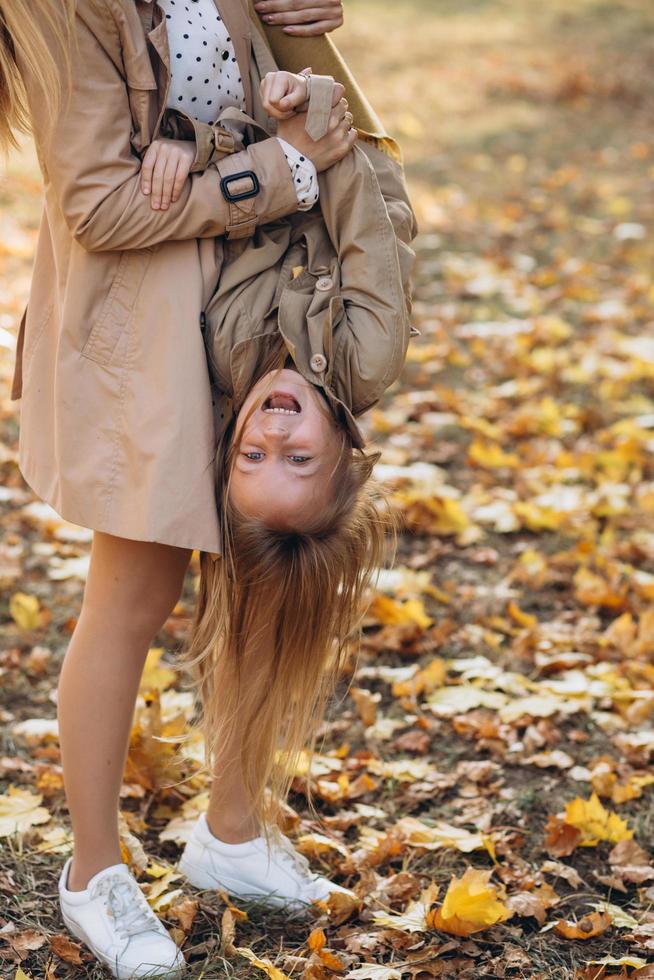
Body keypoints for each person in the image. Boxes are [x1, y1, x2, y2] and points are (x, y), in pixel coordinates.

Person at [1, 0, 416, 976]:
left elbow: (302, 106)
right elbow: (101, 204)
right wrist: (279, 169)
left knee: (268, 563)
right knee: (135, 593)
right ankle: (92, 872)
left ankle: (231, 830)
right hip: (147, 317)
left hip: (261, 292)